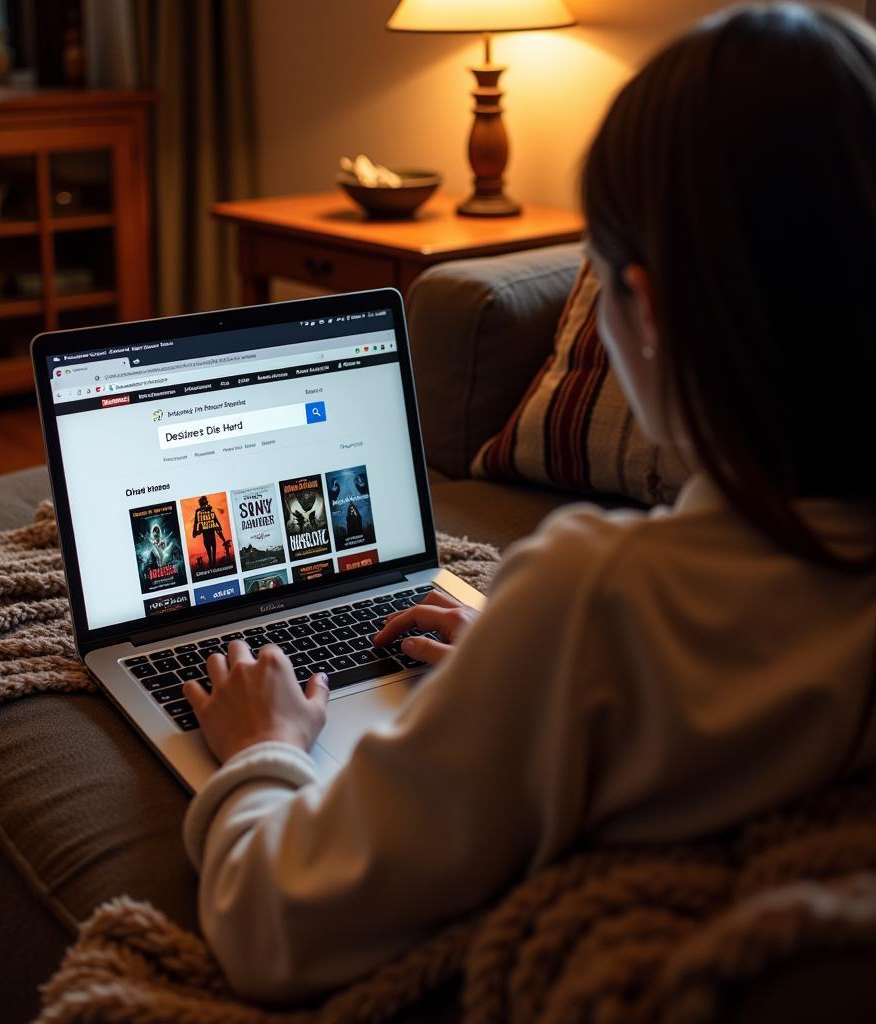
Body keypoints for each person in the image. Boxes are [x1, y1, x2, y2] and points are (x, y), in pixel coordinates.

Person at [180, 3, 876, 1004]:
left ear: (651, 313)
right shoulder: (587, 636)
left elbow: (270, 922)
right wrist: (520, 678)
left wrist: (261, 749)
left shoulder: (594, 603)